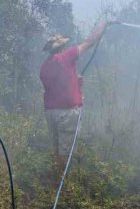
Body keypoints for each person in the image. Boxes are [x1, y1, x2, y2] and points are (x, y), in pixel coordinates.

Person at [39, 22, 108, 163]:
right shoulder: (66, 56)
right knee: (66, 155)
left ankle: (56, 174)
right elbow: (90, 42)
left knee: (56, 152)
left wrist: (76, 82)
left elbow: (57, 86)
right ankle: (62, 175)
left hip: (51, 113)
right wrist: (104, 26)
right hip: (66, 114)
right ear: (62, 47)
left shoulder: (44, 66)